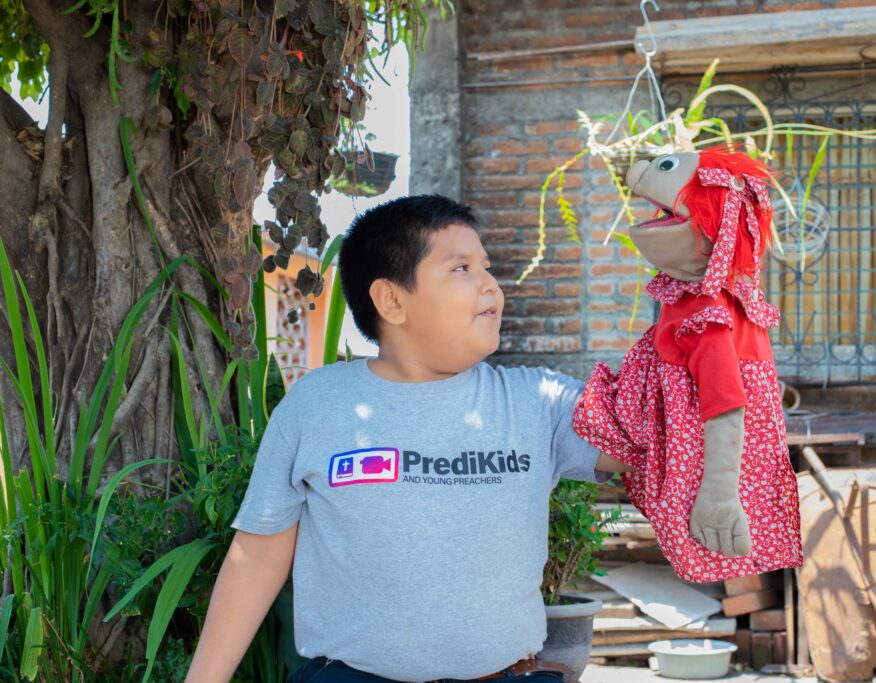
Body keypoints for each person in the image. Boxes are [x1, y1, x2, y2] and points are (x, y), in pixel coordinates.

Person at [184, 194, 633, 683]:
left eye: (487, 266)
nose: (490, 285)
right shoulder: (318, 405)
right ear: (392, 301)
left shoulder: (539, 401)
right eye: (461, 268)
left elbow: (645, 442)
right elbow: (257, 556)